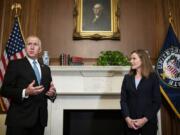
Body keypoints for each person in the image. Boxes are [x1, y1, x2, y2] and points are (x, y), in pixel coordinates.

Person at [0, 36, 56, 135]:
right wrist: (25, 92)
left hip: (39, 121)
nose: (32, 47)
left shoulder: (46, 69)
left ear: (40, 49)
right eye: (29, 44)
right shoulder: (15, 64)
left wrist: (52, 94)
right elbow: (4, 90)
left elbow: (48, 91)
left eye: (35, 44)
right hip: (19, 121)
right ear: (25, 47)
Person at [120, 49, 161, 135]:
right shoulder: (127, 78)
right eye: (131, 59)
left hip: (148, 122)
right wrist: (127, 119)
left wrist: (144, 119)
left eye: (134, 58)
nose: (131, 61)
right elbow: (123, 100)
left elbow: (157, 102)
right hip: (130, 123)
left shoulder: (153, 77)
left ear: (142, 60)